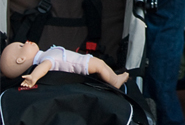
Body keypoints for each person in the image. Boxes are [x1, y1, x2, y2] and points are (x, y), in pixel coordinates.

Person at [1, 41, 129, 89]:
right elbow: (43, 68)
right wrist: (33, 77)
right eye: (22, 46)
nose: (26, 42)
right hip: (80, 64)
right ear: (21, 59)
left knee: (101, 66)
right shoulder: (45, 59)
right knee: (100, 65)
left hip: (80, 61)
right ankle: (115, 81)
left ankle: (113, 77)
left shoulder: (44, 55)